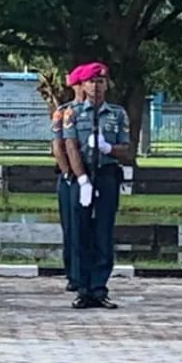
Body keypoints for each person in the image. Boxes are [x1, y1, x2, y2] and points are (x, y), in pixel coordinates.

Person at [62, 61, 131, 309]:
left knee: (103, 232)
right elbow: (70, 147)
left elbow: (126, 149)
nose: (96, 86)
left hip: (106, 175)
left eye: (101, 82)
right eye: (91, 82)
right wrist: (81, 178)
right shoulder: (72, 113)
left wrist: (108, 147)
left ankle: (99, 287)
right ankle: (83, 288)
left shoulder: (117, 114)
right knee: (80, 232)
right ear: (83, 85)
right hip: (82, 176)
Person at [52, 68, 86, 293]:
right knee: (72, 228)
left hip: (95, 174)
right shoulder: (63, 112)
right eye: (81, 83)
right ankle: (74, 274)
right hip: (71, 177)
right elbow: (58, 146)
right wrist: (68, 173)